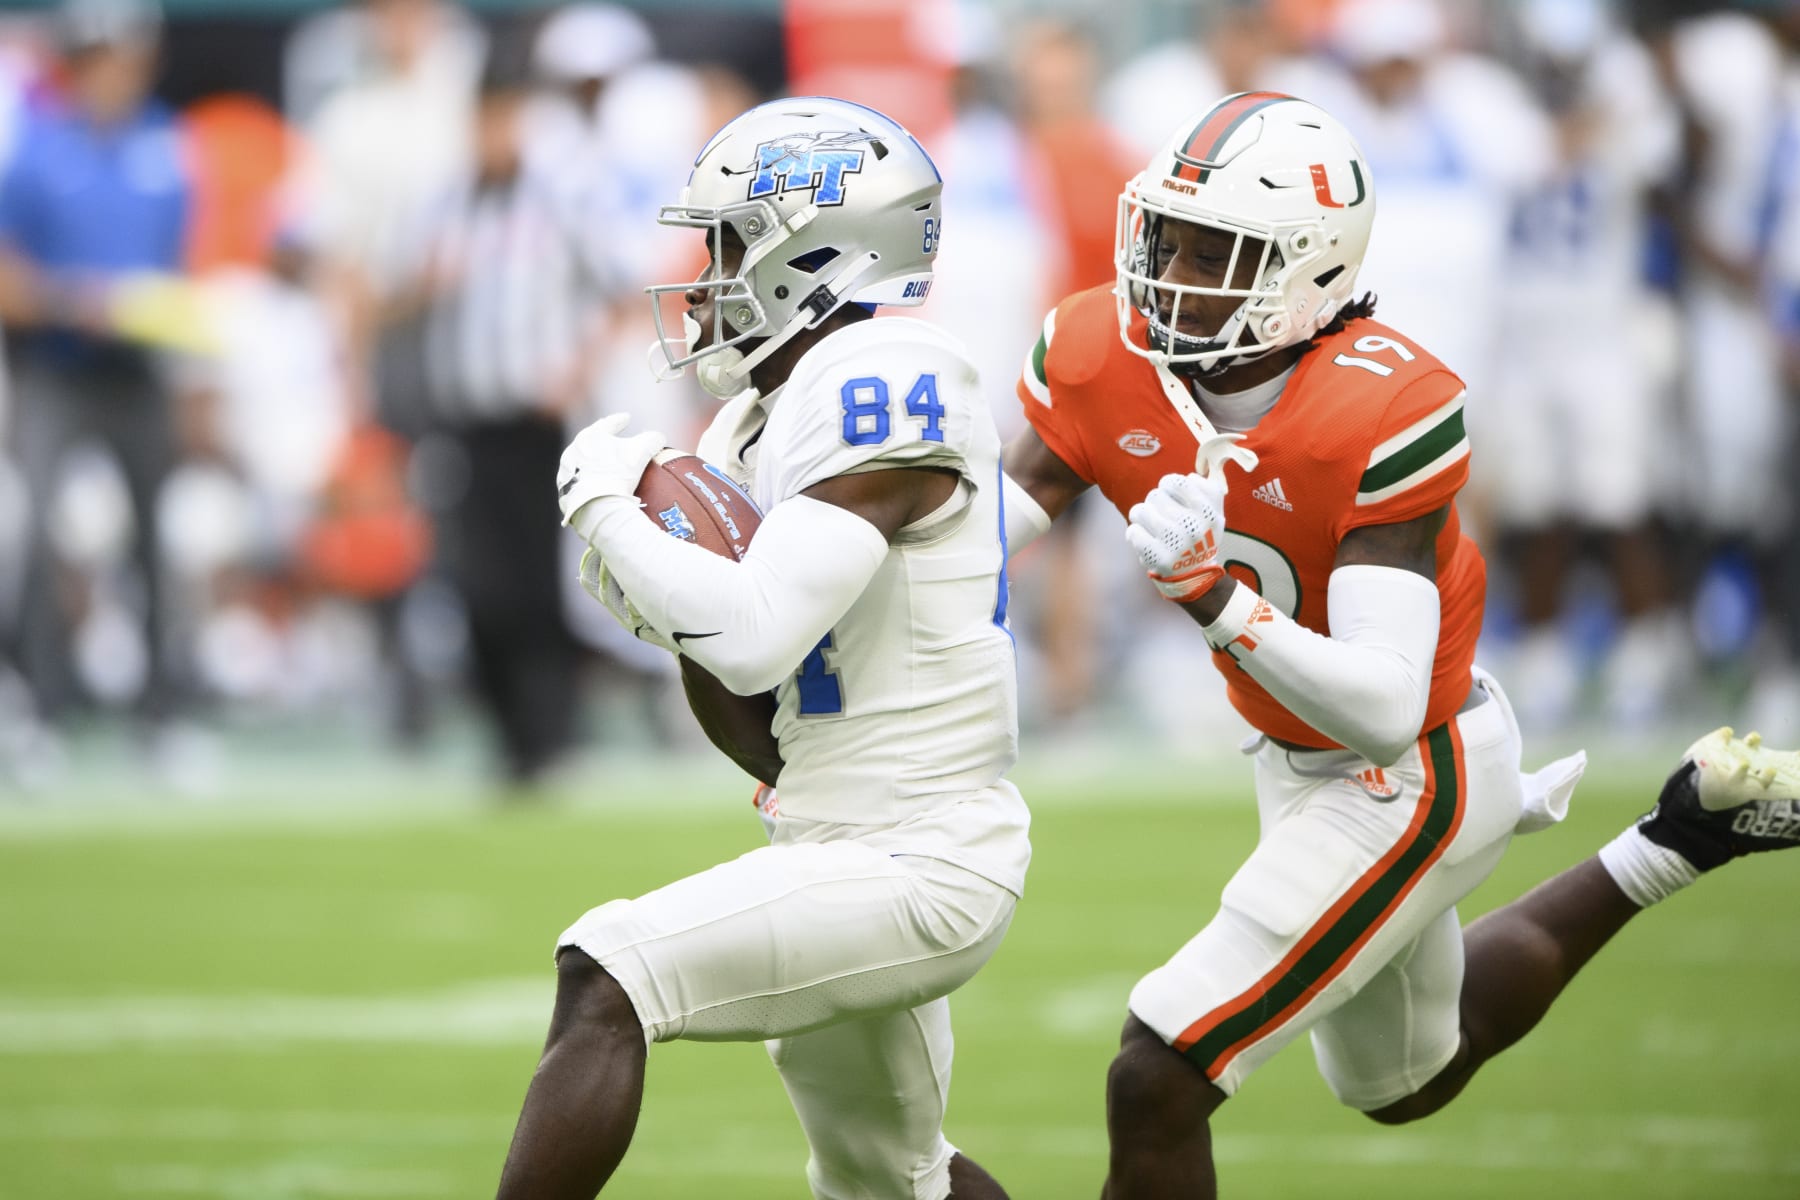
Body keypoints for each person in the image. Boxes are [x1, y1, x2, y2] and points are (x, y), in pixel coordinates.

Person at [997, 92, 1800, 1198]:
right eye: (1165, 236)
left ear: (1308, 273)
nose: (1171, 271)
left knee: (1161, 1067)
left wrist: (1211, 598)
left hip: (1413, 764)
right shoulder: (1098, 347)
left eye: (1215, 249)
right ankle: (1681, 834)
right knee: (1406, 1082)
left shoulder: (1384, 404)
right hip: (1292, 755)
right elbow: (990, 528)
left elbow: (1382, 701)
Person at [495, 97, 1027, 1199]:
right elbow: (759, 725)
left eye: (731, 241)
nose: (706, 273)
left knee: (609, 971)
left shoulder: (886, 376)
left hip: (922, 853)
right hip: (831, 836)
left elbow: (753, 634)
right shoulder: (756, 418)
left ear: (821, 251)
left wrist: (607, 513)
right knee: (897, 1182)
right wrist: (666, 607)